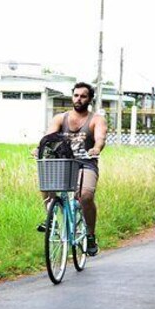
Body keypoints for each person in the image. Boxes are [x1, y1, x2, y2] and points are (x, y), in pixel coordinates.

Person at [35, 82, 107, 256]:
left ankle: (90, 235)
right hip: (63, 162)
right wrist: (39, 148)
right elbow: (48, 137)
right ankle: (52, 219)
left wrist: (96, 148)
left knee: (85, 196)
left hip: (86, 163)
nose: (78, 99)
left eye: (83, 96)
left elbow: (100, 137)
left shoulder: (96, 119)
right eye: (76, 95)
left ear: (89, 99)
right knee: (46, 183)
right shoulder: (61, 118)